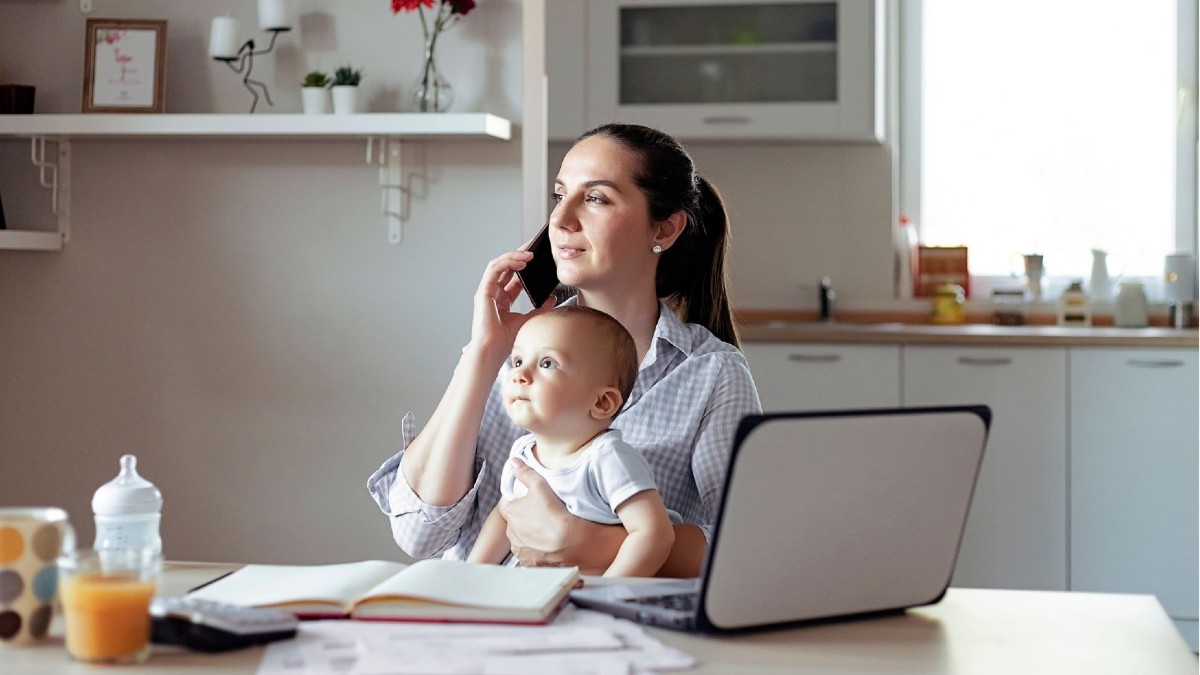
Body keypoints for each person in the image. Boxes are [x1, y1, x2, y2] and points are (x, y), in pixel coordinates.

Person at [367, 123, 762, 577]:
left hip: (615, 632)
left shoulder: (711, 375)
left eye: (596, 198)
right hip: (488, 624)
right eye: (560, 196)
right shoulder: (515, 356)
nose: (561, 219)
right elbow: (420, 534)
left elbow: (741, 546)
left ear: (667, 227)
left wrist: (589, 544)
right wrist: (484, 352)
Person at [466, 306, 676, 577]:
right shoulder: (523, 453)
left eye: (547, 364)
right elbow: (507, 511)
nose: (519, 374)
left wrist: (608, 592)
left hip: (594, 601)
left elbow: (654, 534)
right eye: (518, 361)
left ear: (602, 402)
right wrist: (470, 574)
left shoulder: (608, 458)